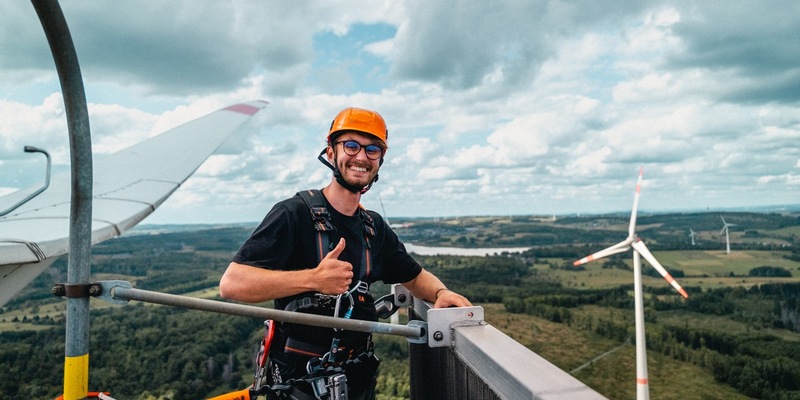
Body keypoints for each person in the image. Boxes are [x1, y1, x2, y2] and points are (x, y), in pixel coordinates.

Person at [219, 107, 471, 400]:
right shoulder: (294, 214)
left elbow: (413, 276)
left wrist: (440, 293)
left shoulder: (372, 227)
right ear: (330, 152)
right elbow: (232, 283)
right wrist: (313, 279)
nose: (362, 156)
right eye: (351, 145)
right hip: (300, 384)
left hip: (357, 379)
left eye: (372, 149)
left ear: (379, 160)